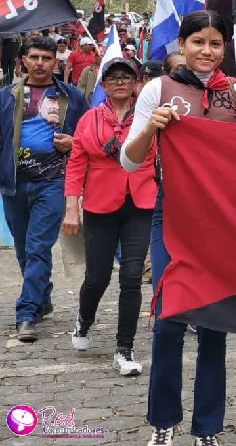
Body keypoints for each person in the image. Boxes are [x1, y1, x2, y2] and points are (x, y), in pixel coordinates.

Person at [121, 10, 236, 446]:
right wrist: (151, 128)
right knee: (168, 320)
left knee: (214, 323)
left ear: (225, 48)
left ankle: (208, 428)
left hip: (221, 219)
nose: (207, 50)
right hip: (172, 214)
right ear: (181, 45)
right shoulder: (158, 89)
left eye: (215, 43)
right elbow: (128, 160)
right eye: (198, 42)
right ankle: (164, 422)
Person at [62, 58, 155, 375]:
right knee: (97, 277)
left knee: (131, 275)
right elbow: (76, 164)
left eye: (126, 77)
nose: (120, 82)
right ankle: (84, 319)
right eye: (113, 78)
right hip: (99, 205)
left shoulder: (148, 118)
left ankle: (124, 349)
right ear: (102, 85)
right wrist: (71, 208)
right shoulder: (89, 120)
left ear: (136, 83)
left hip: (140, 203)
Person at [0, 36, 88, 342]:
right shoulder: (6, 97)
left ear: (55, 61)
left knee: (38, 247)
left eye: (46, 58)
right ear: (23, 60)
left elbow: (90, 134)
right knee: (23, 249)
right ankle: (42, 296)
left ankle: (26, 314)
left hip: (53, 182)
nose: (40, 63)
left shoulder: (72, 97)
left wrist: (74, 142)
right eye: (34, 57)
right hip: (14, 184)